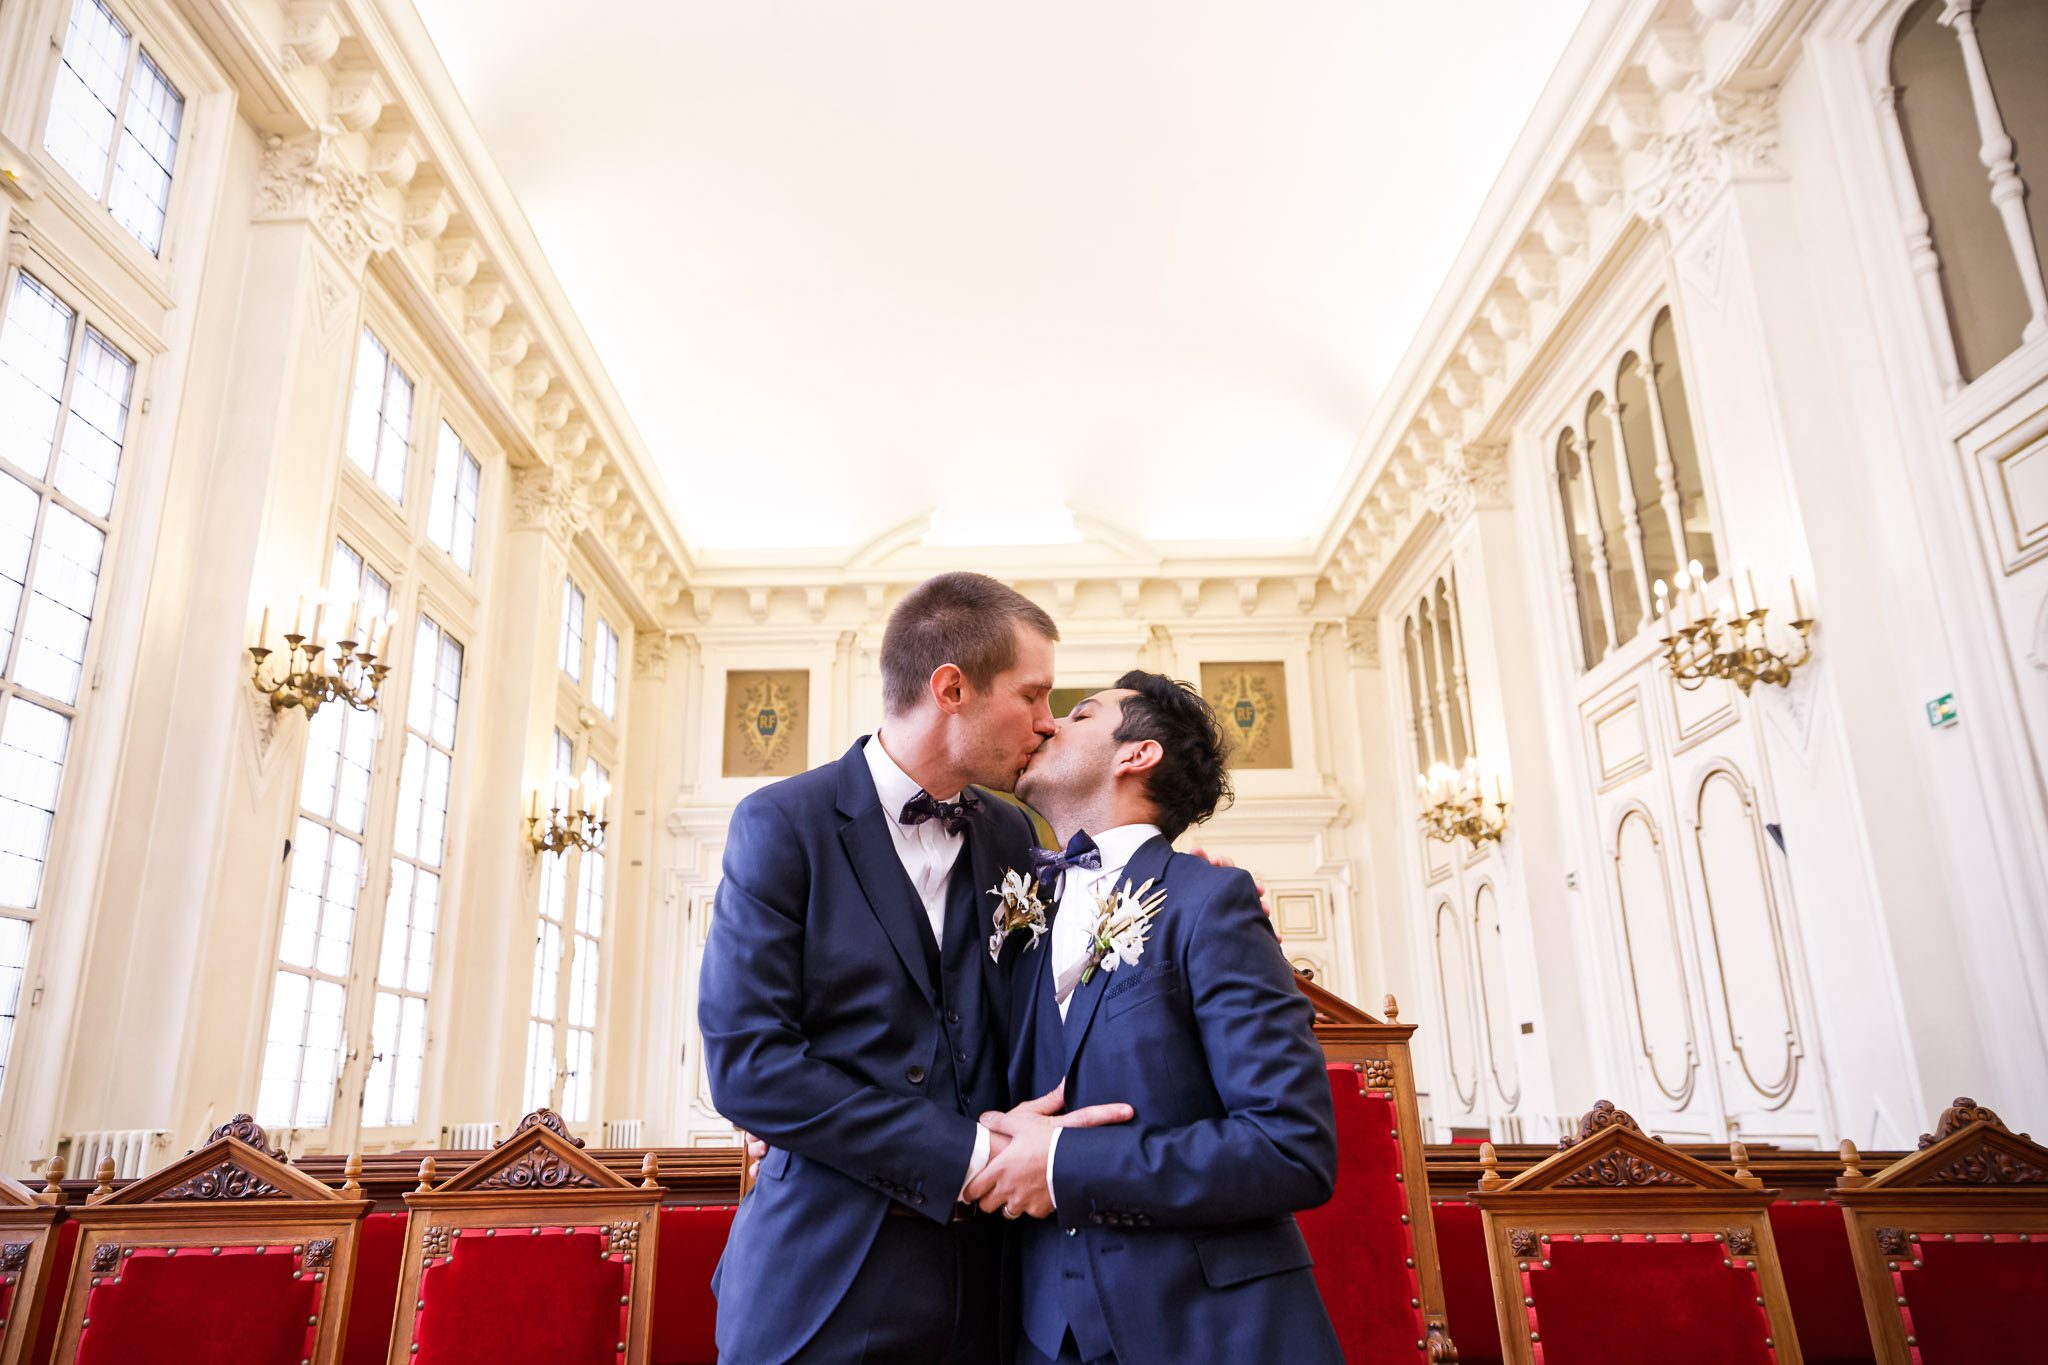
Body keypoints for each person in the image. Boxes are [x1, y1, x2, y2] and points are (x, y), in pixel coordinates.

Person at [698, 572, 1135, 1364]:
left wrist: (1175, 898)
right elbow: (750, 1067)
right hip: (825, 1279)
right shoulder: (782, 825)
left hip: (995, 1286)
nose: (1047, 721)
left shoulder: (1014, 836)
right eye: (1033, 695)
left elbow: (1067, 999)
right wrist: (970, 1155)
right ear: (952, 689)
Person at [968, 672, 1342, 1364]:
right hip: (1044, 1332)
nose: (1047, 724)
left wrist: (1064, 1164)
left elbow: (1291, 1147)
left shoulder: (1210, 900)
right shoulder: (1021, 923)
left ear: (1137, 754)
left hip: (1210, 1331)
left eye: (1080, 714)